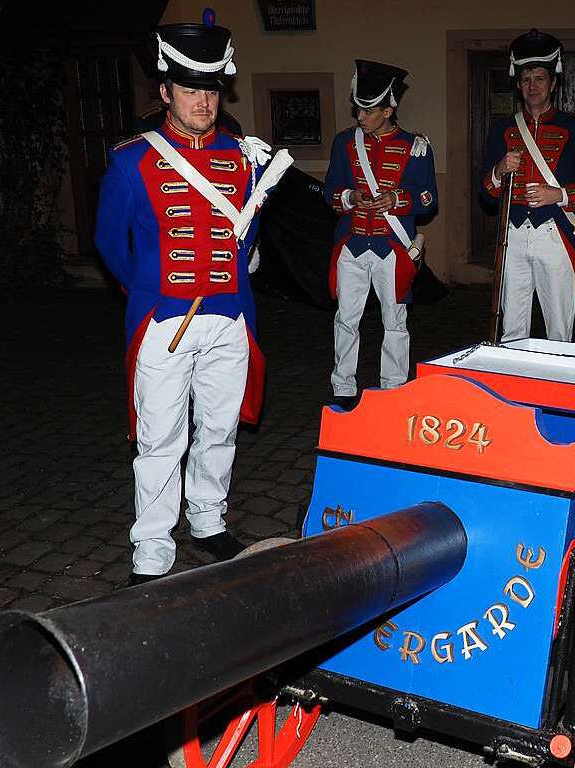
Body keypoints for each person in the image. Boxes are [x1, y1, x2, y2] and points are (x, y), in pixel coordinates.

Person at [95, 12, 281, 585]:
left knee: (219, 428)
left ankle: (207, 521)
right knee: (159, 440)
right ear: (165, 91)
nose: (203, 99)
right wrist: (154, 292)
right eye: (190, 87)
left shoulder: (242, 159)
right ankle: (151, 553)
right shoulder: (132, 161)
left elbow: (245, 240)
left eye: (210, 88)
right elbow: (110, 244)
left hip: (228, 318)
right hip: (164, 321)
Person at [323, 59, 438, 410]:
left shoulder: (416, 146)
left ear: (389, 109)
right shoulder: (345, 143)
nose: (360, 116)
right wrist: (349, 197)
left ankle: (394, 386)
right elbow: (331, 191)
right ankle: (343, 385)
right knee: (346, 318)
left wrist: (396, 199)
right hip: (353, 244)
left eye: (368, 110)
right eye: (358, 108)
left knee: (395, 321)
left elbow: (428, 197)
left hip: (392, 246)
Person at [481, 30, 575, 343]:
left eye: (540, 78)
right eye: (526, 79)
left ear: (553, 83)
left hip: (555, 233)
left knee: (559, 327)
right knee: (512, 329)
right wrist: (499, 170)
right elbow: (487, 193)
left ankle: (557, 391)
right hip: (513, 235)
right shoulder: (501, 129)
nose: (533, 86)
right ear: (518, 84)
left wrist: (556, 194)